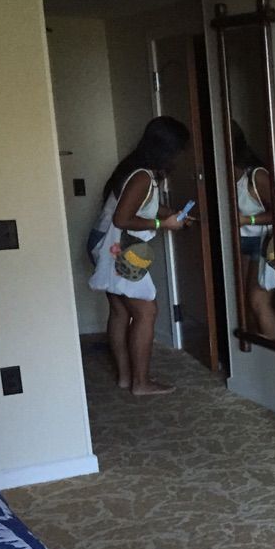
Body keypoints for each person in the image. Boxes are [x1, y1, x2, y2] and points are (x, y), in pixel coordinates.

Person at [88, 116, 193, 395]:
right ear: (168, 149)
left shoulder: (135, 170)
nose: (181, 156)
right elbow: (122, 219)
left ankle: (126, 377)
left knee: (120, 311)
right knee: (147, 311)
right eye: (180, 149)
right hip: (117, 248)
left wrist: (171, 213)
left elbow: (141, 206)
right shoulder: (143, 176)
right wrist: (163, 224)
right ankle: (141, 383)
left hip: (101, 243)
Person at [232, 122, 275, 339]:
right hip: (241, 242)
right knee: (241, 302)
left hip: (264, 242)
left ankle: (273, 350)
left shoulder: (256, 176)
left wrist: (247, 219)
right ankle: (252, 349)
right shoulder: (224, 176)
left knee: (257, 300)